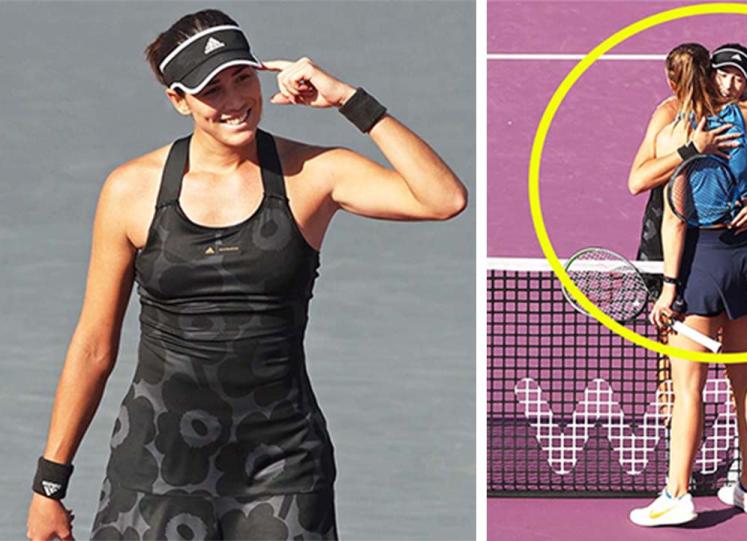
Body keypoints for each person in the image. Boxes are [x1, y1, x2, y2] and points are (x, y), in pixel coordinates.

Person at [25, 9, 466, 541]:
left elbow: (443, 200)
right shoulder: (131, 190)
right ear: (179, 101)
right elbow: (95, 345)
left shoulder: (313, 175)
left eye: (241, 78)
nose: (234, 102)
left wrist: (348, 99)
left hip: (282, 470)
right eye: (211, 90)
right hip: (155, 467)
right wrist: (49, 485)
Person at [627, 43, 747, 527]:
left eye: (739, 76)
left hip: (702, 265)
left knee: (687, 388)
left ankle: (678, 494)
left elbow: (672, 220)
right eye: (726, 74)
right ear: (713, 77)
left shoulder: (681, 131)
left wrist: (670, 289)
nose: (733, 82)